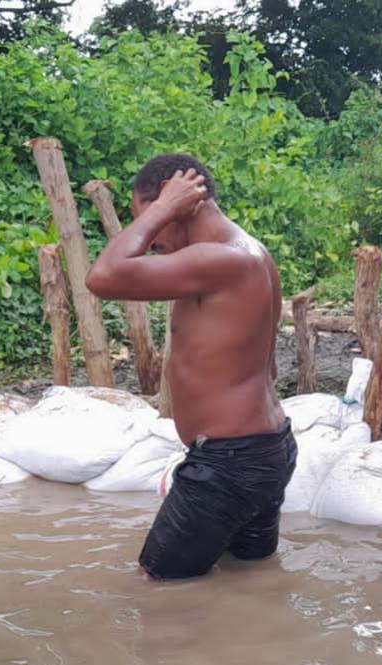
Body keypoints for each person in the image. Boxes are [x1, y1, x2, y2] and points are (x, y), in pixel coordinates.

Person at [85, 153, 296, 579]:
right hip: (261, 452)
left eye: (146, 216)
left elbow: (103, 277)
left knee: (157, 588)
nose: (151, 237)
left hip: (229, 464)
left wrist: (162, 208)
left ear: (186, 203)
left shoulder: (223, 259)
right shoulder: (245, 252)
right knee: (249, 581)